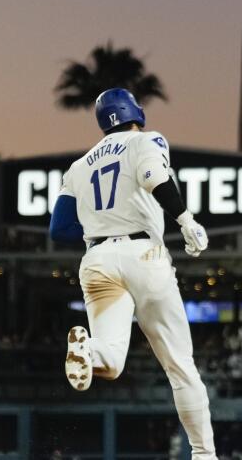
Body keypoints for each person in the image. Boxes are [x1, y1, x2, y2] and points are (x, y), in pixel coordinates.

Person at [50, 88, 216, 459]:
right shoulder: (145, 141)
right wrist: (186, 220)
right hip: (143, 254)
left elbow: (58, 229)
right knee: (180, 366)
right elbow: (155, 178)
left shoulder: (78, 167)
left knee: (109, 362)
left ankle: (88, 351)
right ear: (135, 112)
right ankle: (204, 455)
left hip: (97, 259)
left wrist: (102, 228)